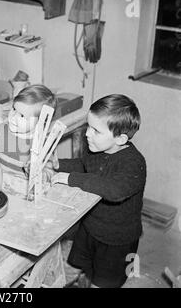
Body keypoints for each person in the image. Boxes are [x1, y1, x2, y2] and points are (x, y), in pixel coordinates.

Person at [48, 94, 146, 288]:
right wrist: (59, 165)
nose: (87, 134)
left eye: (96, 131)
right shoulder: (96, 150)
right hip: (90, 228)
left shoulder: (134, 163)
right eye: (88, 127)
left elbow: (114, 190)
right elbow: (84, 166)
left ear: (121, 138)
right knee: (81, 267)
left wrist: (69, 179)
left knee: (104, 283)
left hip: (117, 241)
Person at [0, 84, 57, 173]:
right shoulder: (1, 129)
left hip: (21, 185)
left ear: (40, 122)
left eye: (22, 115)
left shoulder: (43, 146)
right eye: (14, 109)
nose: (13, 116)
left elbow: (49, 174)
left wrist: (38, 173)